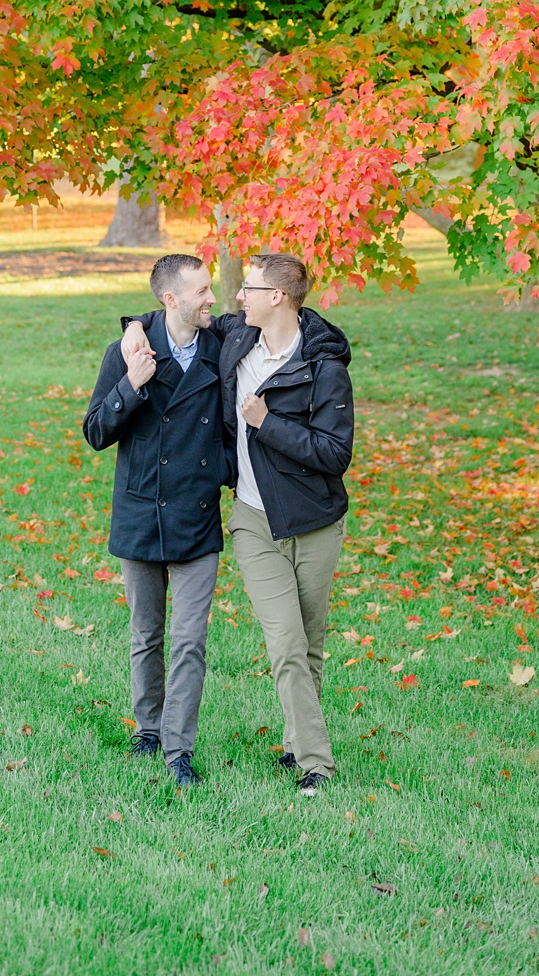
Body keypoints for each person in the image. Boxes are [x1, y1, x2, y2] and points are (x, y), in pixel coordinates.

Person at [122, 249, 354, 793]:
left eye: (248, 288)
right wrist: (133, 325)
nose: (236, 297)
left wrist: (266, 422)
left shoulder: (324, 366)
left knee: (309, 644)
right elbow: (177, 312)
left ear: (277, 297)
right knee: (286, 644)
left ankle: (298, 740)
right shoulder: (237, 341)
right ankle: (316, 765)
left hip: (315, 520)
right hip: (253, 520)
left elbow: (334, 454)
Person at [85, 253, 227, 788]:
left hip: (196, 516)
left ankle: (178, 750)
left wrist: (223, 470)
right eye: (202, 292)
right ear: (170, 299)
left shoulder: (221, 344)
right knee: (147, 632)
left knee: (190, 640)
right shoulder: (128, 354)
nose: (212, 299)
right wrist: (132, 384)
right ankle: (147, 728)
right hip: (141, 512)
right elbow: (96, 431)